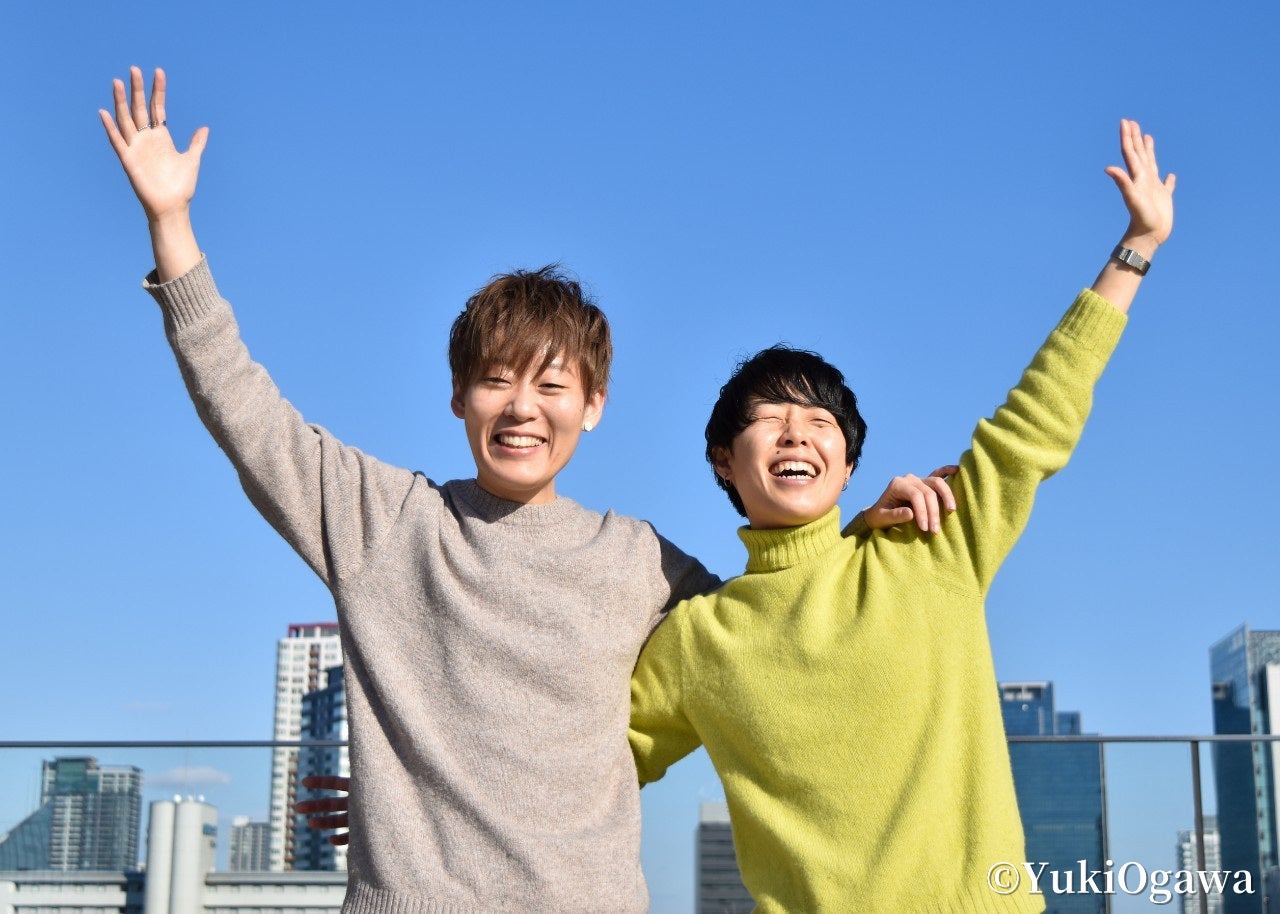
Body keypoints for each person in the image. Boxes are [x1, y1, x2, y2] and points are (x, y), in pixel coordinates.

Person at [100, 66, 956, 913]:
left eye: (552, 386)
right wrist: (171, 224)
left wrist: (850, 541)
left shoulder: (639, 561)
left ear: (594, 406)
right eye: (496, 380)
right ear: (458, 396)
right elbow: (245, 410)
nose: (521, 408)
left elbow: (773, 631)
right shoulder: (386, 522)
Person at [626, 118, 1174, 912]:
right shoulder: (698, 640)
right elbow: (589, 763)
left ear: (849, 465)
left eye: (821, 423)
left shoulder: (928, 545)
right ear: (723, 461)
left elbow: (1034, 423)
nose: (796, 434)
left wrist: (1137, 247)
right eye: (770, 419)